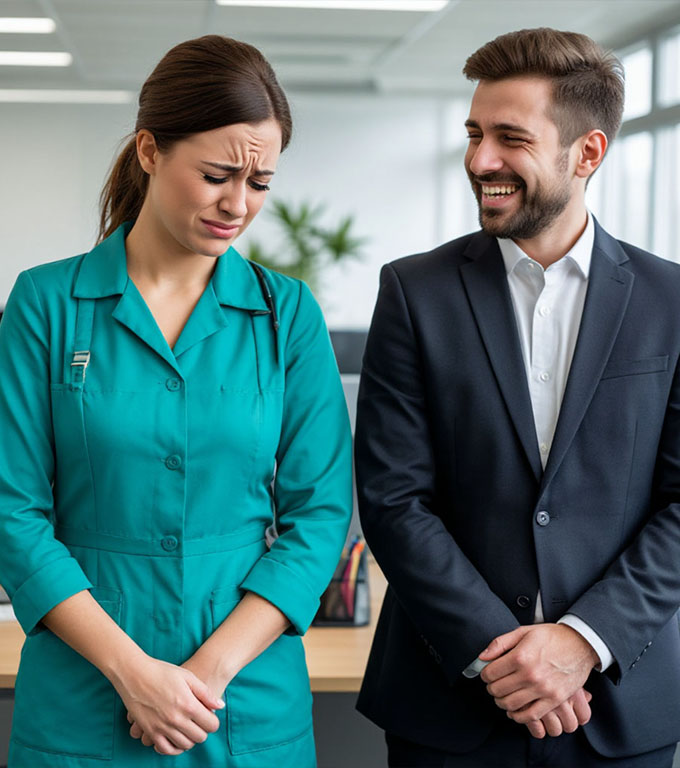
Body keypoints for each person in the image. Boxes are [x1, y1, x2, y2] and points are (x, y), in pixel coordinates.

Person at [0, 35, 352, 767]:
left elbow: (320, 515)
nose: (238, 205)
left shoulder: (286, 314)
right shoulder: (46, 305)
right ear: (149, 151)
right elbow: (12, 509)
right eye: (217, 175)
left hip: (244, 695)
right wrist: (134, 674)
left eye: (260, 183)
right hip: (84, 694)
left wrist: (205, 675)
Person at [355, 27, 680, 768]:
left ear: (587, 153)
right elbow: (394, 498)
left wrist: (582, 642)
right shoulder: (413, 292)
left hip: (618, 706)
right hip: (449, 704)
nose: (480, 161)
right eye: (475, 135)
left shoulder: (671, 301)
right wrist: (505, 658)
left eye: (510, 138)